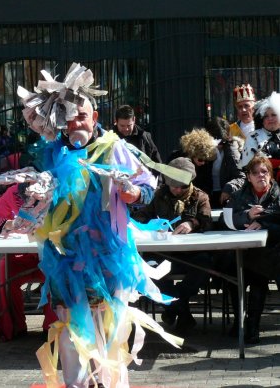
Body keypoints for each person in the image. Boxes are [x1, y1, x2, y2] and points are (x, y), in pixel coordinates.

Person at [11, 63, 178, 387]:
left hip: (109, 257)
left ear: (95, 118)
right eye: (70, 117)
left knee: (109, 334)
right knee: (72, 334)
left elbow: (147, 187)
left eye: (82, 117)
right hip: (66, 258)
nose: (76, 123)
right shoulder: (52, 151)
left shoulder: (114, 148)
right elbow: (35, 195)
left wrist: (131, 193)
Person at [133, 157, 213, 333]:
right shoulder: (158, 195)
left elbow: (207, 220)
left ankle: (174, 305)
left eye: (182, 186)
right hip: (163, 254)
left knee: (205, 264)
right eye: (173, 185)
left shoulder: (200, 197)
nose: (177, 190)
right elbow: (140, 217)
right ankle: (181, 309)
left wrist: (192, 224)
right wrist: (151, 227)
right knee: (146, 269)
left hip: (190, 255)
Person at [0, 182, 57, 341]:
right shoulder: (15, 193)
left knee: (58, 271)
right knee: (5, 269)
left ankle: (52, 328)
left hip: (55, 256)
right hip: (25, 256)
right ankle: (13, 326)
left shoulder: (61, 189)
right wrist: (7, 224)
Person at [222, 155, 280, 344]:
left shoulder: (278, 194)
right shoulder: (239, 195)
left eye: (264, 171)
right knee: (232, 272)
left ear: (270, 175)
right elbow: (227, 220)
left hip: (272, 252)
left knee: (258, 273)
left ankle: (251, 325)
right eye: (255, 173)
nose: (260, 176)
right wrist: (247, 215)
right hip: (243, 252)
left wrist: (263, 223)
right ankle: (241, 322)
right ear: (248, 177)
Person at [203, 117, 245, 208]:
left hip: (226, 195)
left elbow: (241, 176)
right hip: (205, 195)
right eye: (215, 140)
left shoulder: (233, 149)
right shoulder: (202, 150)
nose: (219, 144)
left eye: (223, 141)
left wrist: (229, 188)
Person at [169, 128, 218, 201]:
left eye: (206, 160)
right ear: (192, 154)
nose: (203, 163)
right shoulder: (176, 158)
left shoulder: (206, 164)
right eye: (200, 159)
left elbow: (208, 184)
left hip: (197, 199)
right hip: (175, 198)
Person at [238, 92, 280, 174]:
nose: (270, 118)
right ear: (262, 120)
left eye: (273, 115)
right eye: (266, 116)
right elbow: (247, 167)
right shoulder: (253, 137)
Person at [113, 104, 162, 168]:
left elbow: (156, 163)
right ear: (116, 121)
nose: (126, 129)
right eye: (122, 126)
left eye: (129, 125)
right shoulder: (109, 138)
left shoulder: (144, 137)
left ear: (134, 120)